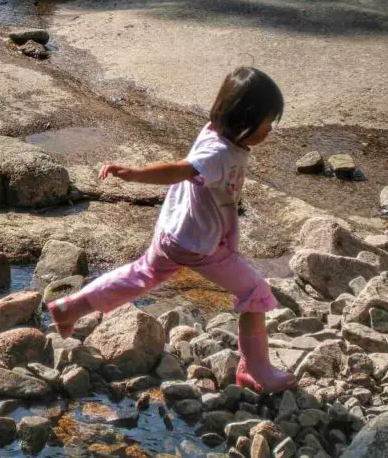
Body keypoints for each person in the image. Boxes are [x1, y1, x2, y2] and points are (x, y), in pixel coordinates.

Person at [46, 67, 296, 393]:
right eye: (267, 123)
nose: (269, 130)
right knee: (256, 293)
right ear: (244, 118)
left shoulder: (213, 132)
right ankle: (255, 369)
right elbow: (180, 170)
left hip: (173, 232)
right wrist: (134, 174)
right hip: (198, 245)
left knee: (141, 274)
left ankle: (70, 309)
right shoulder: (219, 152)